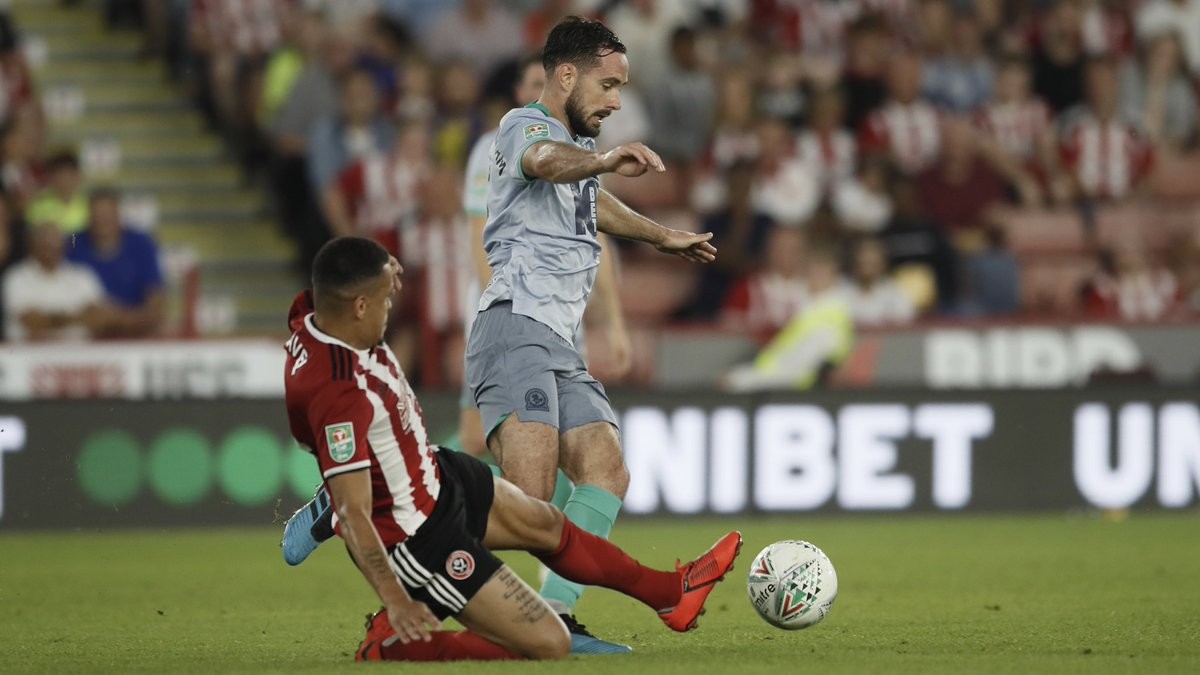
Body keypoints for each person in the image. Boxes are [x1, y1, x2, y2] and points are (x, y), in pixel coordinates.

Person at [284, 236, 741, 662]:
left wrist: (381, 267)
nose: (390, 306)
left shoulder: (312, 317)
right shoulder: (339, 393)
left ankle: (670, 594)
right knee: (549, 644)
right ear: (359, 306)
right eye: (385, 299)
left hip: (437, 473)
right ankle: (390, 644)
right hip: (418, 533)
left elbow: (334, 281)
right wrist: (395, 597)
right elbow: (355, 513)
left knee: (546, 523)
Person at [464, 15, 715, 652]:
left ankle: (557, 618)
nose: (616, 102)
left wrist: (662, 237)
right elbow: (545, 163)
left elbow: (593, 202)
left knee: (605, 470)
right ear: (568, 76)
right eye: (609, 86)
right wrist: (602, 159)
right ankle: (386, 509)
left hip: (560, 340)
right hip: (516, 323)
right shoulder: (525, 126)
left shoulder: (578, 157)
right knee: (528, 500)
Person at [65, 188, 166, 338]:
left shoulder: (141, 242)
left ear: (118, 215)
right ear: (88, 216)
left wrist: (120, 318)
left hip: (134, 331)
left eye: (108, 215)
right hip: (83, 332)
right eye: (97, 215)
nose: (103, 221)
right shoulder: (74, 241)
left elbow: (156, 299)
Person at [2, 221, 109, 342]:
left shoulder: (82, 276)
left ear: (64, 246)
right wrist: (78, 317)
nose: (50, 248)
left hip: (80, 349)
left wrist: (53, 319)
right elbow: (31, 321)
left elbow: (99, 316)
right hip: (28, 350)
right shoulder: (16, 277)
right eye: (44, 242)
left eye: (55, 242)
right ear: (32, 245)